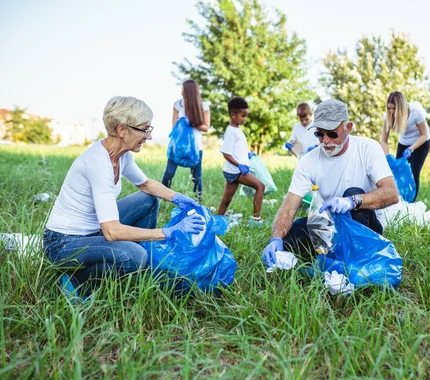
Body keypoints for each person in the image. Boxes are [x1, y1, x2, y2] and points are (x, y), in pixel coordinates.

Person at [43, 96, 206, 297]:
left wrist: (179, 198)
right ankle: (78, 280)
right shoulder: (98, 163)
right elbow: (112, 231)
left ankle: (135, 267)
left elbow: (145, 184)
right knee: (135, 256)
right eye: (145, 130)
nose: (149, 136)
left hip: (94, 232)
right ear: (122, 130)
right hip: (64, 244)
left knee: (148, 200)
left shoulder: (122, 155)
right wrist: (168, 232)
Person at [261, 99, 399, 266]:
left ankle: (349, 260)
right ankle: (332, 255)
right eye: (319, 134)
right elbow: (289, 208)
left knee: (353, 192)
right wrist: (276, 238)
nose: (325, 140)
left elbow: (392, 193)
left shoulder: (368, 148)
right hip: (329, 225)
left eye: (332, 133)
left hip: (364, 225)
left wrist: (351, 201)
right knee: (290, 237)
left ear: (348, 128)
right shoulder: (308, 161)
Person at [217, 96, 265, 227]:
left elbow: (236, 149)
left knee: (226, 200)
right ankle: (256, 220)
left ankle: (216, 221)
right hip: (236, 171)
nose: (244, 119)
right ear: (233, 114)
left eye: (245, 116)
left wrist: (246, 154)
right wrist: (240, 165)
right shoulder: (231, 131)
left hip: (233, 171)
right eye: (242, 116)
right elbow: (226, 153)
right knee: (260, 186)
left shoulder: (236, 130)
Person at [161, 79, 210, 202]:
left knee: (196, 177)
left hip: (195, 148)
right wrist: (181, 124)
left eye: (183, 90)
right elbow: (174, 127)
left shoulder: (203, 106)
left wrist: (193, 123)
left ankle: (198, 200)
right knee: (168, 174)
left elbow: (206, 127)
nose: (181, 92)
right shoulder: (178, 105)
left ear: (190, 91)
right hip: (178, 147)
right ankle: (161, 197)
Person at [380, 91, 430, 200]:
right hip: (404, 143)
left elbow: (424, 135)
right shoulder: (388, 117)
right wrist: (387, 156)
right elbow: (384, 140)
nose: (391, 111)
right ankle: (399, 200)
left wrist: (411, 148)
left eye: (394, 109)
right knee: (398, 172)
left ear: (401, 107)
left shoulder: (415, 112)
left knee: (413, 171)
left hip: (421, 142)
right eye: (389, 108)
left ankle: (411, 203)